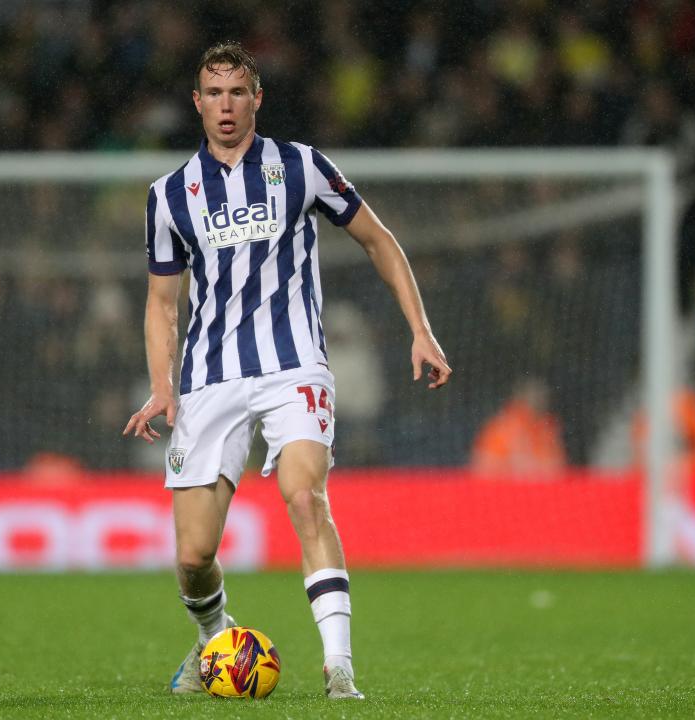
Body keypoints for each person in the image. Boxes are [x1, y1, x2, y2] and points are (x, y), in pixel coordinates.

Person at [123, 42, 451, 700]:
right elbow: (163, 302)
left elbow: (377, 239)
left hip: (293, 365)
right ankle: (216, 636)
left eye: (237, 92)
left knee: (306, 495)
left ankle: (340, 669)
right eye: (213, 93)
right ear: (197, 102)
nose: (226, 105)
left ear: (256, 99)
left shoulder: (300, 167)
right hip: (209, 379)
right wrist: (163, 385)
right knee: (192, 558)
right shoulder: (168, 197)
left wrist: (421, 329)